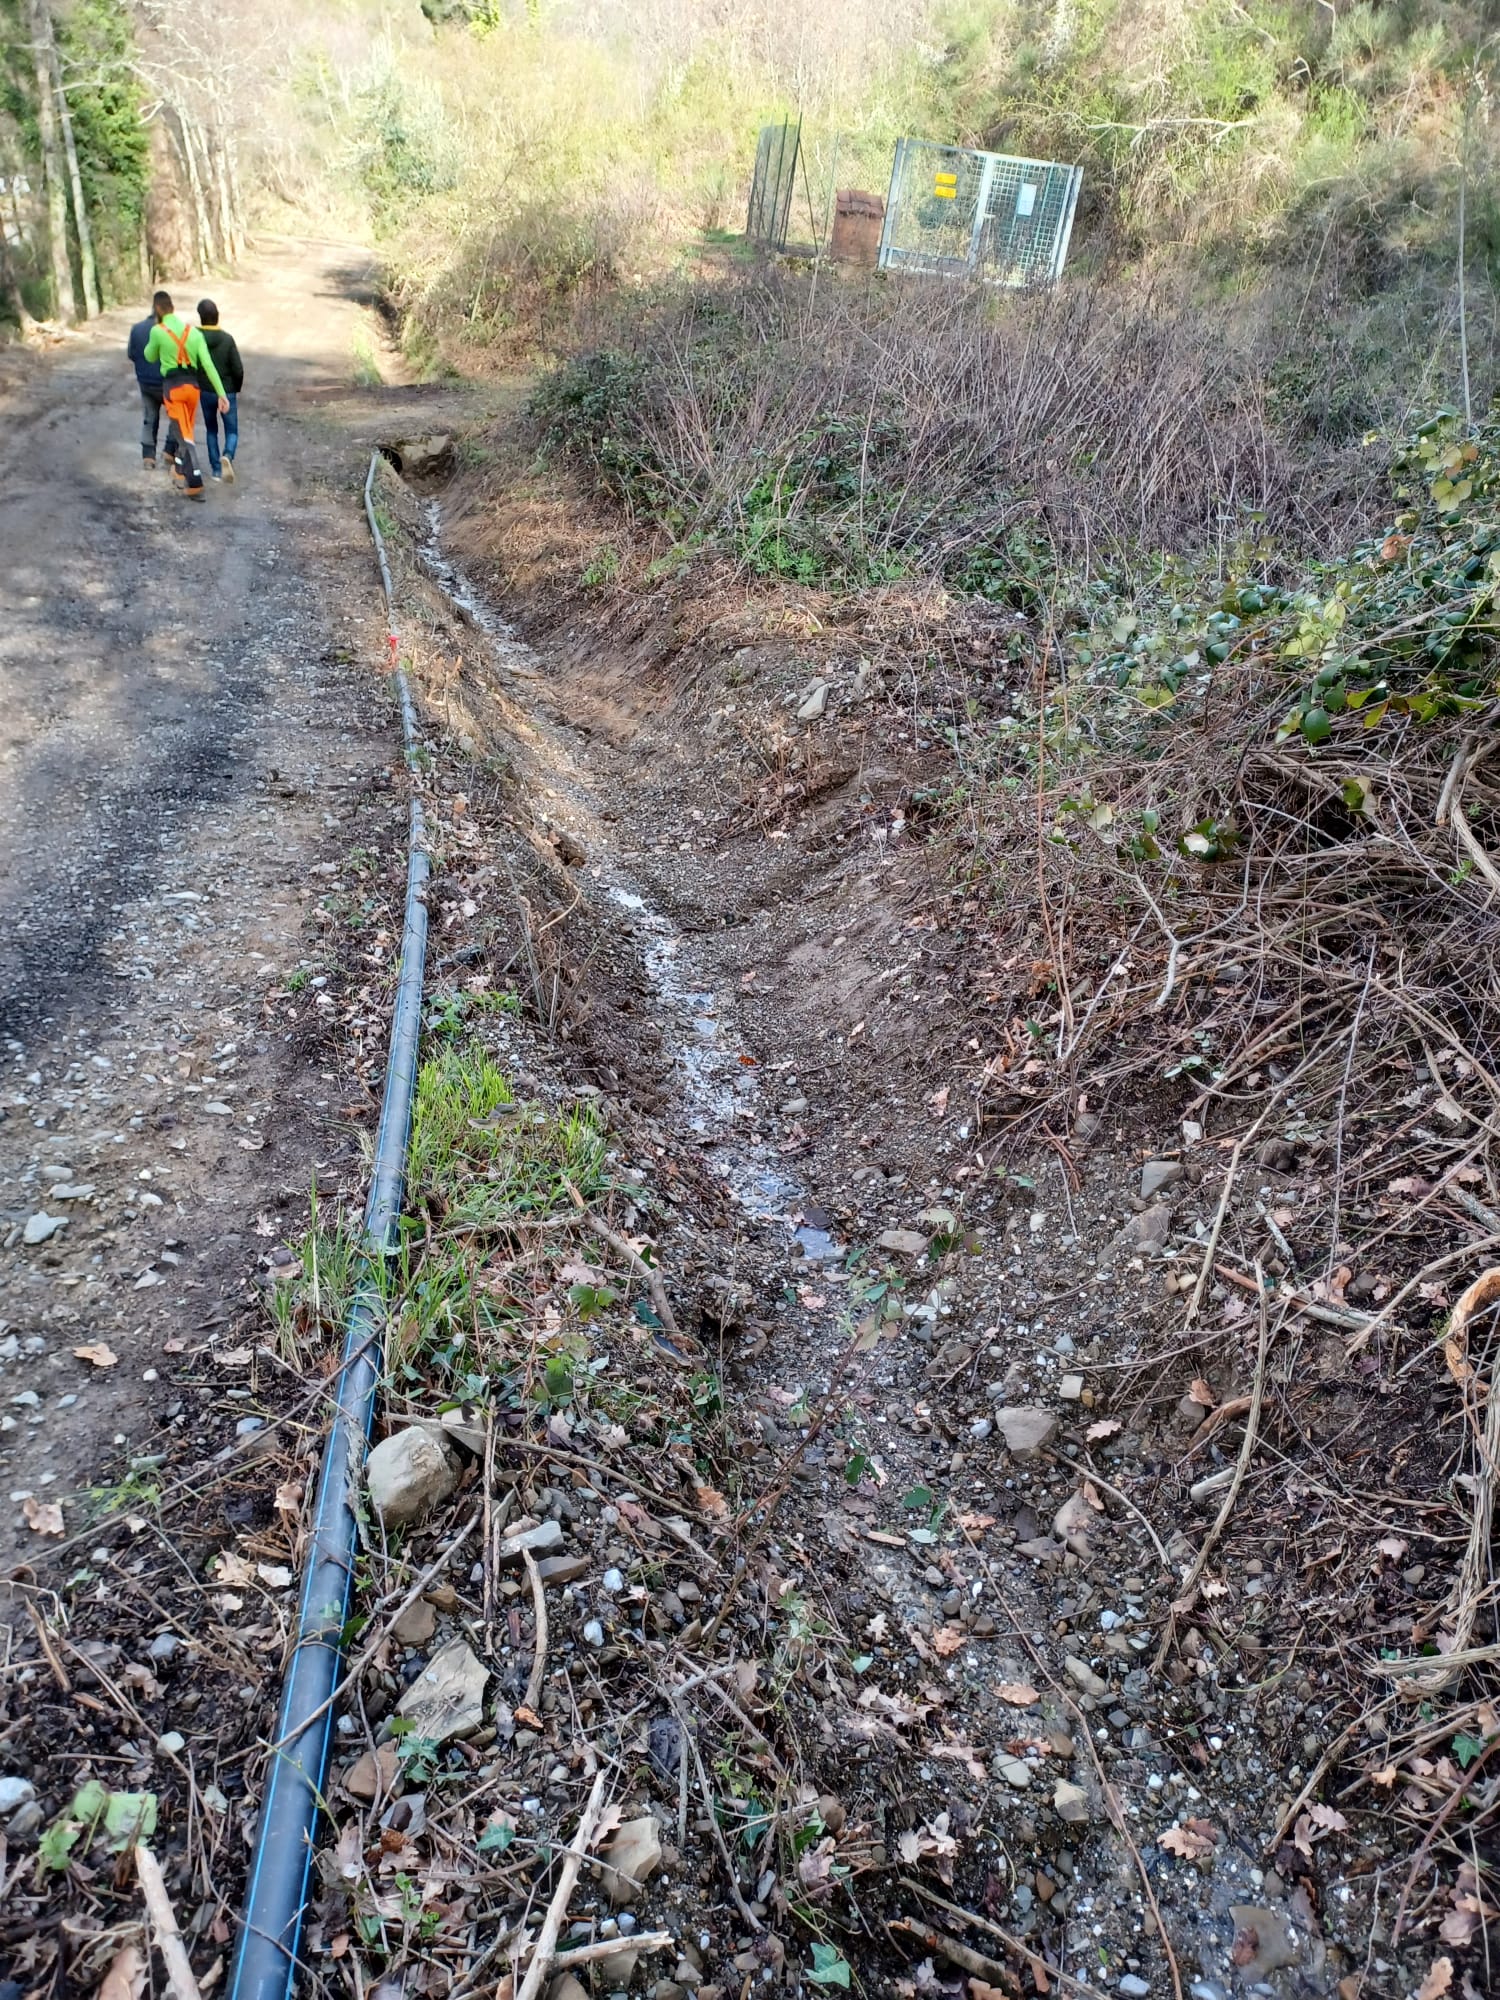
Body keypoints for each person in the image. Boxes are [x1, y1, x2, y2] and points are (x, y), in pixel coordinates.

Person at [141, 290, 228, 501]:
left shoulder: (158, 331)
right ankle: (179, 470)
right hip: (193, 388)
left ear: (158, 310)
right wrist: (221, 394)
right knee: (186, 428)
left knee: (184, 436)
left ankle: (195, 483)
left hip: (173, 388)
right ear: (173, 308)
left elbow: (149, 355)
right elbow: (208, 364)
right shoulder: (193, 333)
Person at [195, 299, 243, 483]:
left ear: (200, 318)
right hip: (227, 391)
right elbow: (238, 369)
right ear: (217, 317)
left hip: (205, 391)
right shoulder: (227, 339)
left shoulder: (195, 337)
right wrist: (235, 388)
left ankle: (216, 470)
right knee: (231, 430)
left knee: (211, 430)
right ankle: (228, 456)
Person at [126, 301, 165, 470]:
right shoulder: (168, 331)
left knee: (149, 417)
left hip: (146, 382)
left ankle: (148, 457)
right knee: (176, 418)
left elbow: (131, 354)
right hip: (166, 382)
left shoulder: (137, 328)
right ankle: (170, 450)